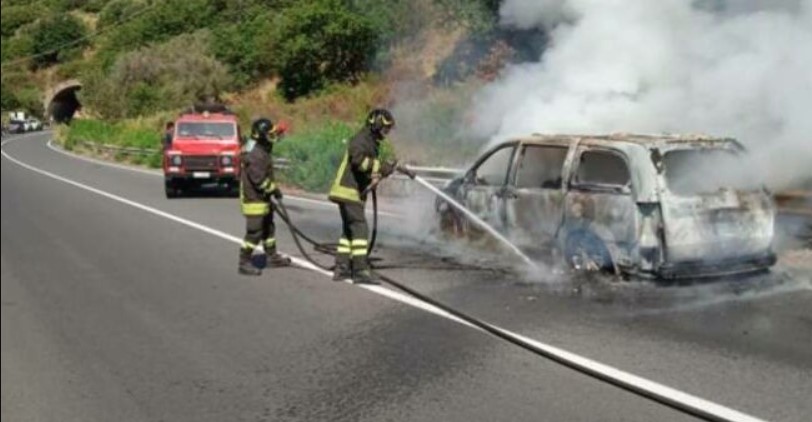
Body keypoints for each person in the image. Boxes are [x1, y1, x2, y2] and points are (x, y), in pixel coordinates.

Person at [328, 109, 397, 284]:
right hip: (348, 190)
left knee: (349, 230)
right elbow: (358, 161)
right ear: (376, 124)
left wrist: (382, 171)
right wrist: (380, 166)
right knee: (360, 228)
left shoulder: (371, 141)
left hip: (350, 191)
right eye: (385, 128)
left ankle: (341, 268)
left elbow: (368, 169)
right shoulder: (361, 139)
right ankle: (360, 270)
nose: (386, 133)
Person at [238, 117, 292, 276]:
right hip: (254, 198)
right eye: (269, 134)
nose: (272, 137)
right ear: (260, 136)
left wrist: (279, 130)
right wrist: (273, 190)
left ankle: (271, 256)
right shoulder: (255, 154)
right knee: (255, 232)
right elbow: (258, 180)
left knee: (268, 228)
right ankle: (244, 262)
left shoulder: (258, 147)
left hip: (262, 198)